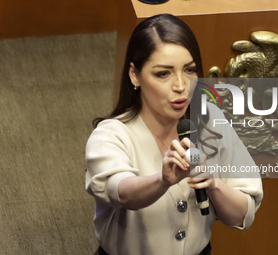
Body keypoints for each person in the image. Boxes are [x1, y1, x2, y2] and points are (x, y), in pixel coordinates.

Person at [85, 14, 263, 255]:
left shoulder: (211, 121)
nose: (181, 85)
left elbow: (243, 214)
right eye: (163, 74)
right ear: (134, 75)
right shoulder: (111, 135)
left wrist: (213, 184)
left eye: (189, 70)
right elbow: (121, 192)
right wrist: (162, 180)